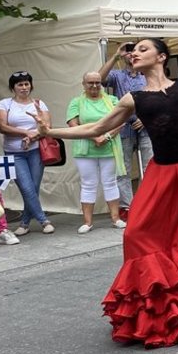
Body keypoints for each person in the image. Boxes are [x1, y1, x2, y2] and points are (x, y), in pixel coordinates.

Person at [31, 3, 178, 347]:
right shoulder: (133, 97)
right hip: (165, 172)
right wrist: (49, 132)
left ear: (161, 56)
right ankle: (163, 303)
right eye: (133, 51)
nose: (134, 54)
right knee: (138, 233)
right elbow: (97, 127)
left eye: (143, 49)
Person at [66, 72, 127, 234]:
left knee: (110, 182)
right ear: (83, 84)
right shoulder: (76, 102)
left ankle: (116, 218)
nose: (94, 86)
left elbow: (120, 122)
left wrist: (105, 136)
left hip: (109, 147)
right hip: (85, 149)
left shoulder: (113, 100)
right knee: (88, 184)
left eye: (97, 82)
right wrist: (94, 137)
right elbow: (73, 124)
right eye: (90, 82)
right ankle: (87, 222)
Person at [0, 72, 55, 235]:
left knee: (33, 188)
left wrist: (33, 136)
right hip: (13, 153)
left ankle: (25, 223)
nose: (24, 87)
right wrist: (25, 133)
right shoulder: (5, 104)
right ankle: (44, 220)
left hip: (36, 151)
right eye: (20, 84)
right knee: (27, 188)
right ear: (13, 87)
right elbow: (3, 127)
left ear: (31, 85)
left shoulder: (39, 103)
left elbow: (47, 126)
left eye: (26, 84)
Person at [99, 41, 154, 216]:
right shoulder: (117, 75)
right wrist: (116, 56)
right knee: (123, 169)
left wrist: (146, 118)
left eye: (135, 50)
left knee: (150, 166)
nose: (132, 54)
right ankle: (128, 207)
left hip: (146, 126)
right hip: (123, 127)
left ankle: (150, 204)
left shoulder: (147, 75)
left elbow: (157, 98)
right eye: (129, 51)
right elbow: (99, 79)